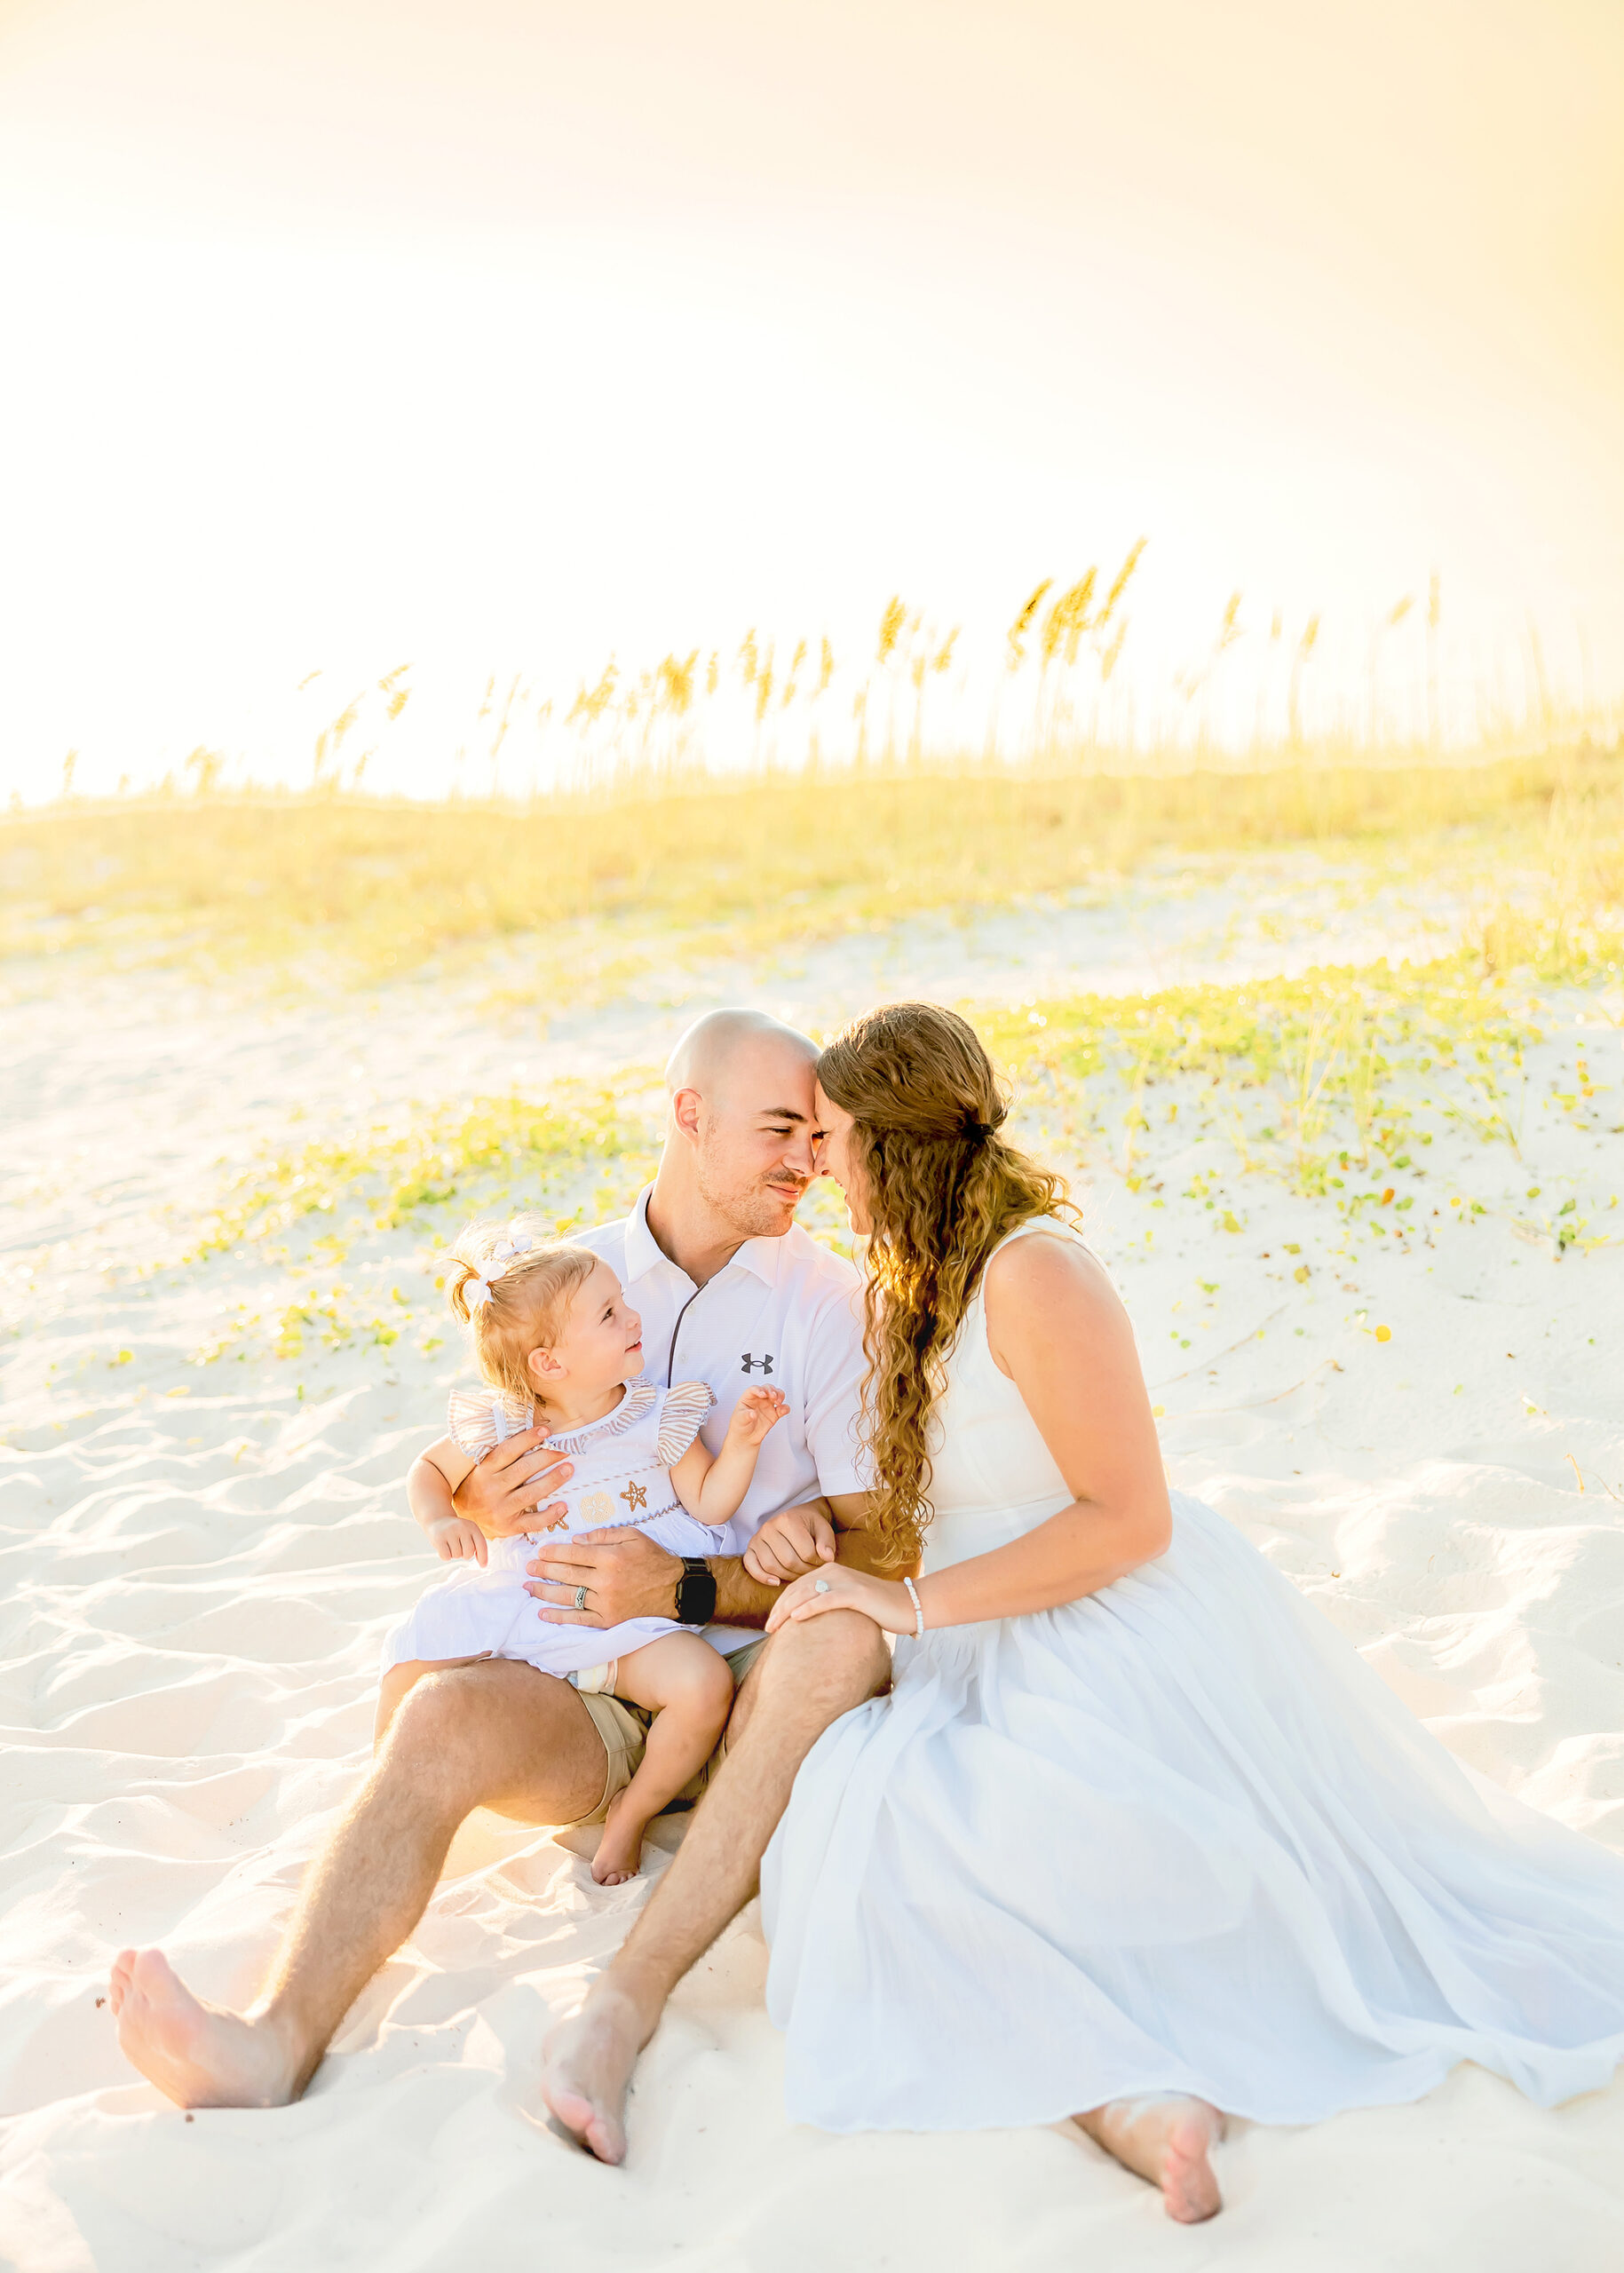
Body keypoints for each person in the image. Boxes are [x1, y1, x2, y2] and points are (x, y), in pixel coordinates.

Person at [549, 1002, 1624, 2222]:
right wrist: (826, 1548)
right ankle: (1121, 2101)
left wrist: (901, 1600)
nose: (815, 1162)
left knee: (1040, 1832)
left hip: (1105, 1617)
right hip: (973, 1634)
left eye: (835, 1137)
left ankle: (1143, 2086)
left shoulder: (1034, 1268)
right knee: (880, 1833)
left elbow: (1128, 1519)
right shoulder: (911, 1275)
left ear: (896, 1144)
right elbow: (917, 1499)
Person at [109, 1008, 891, 2111]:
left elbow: (881, 1543)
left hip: (751, 1676)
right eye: (779, 1131)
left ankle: (634, 1964)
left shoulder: (829, 1308)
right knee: (438, 1716)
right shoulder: (572, 1283)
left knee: (835, 1638)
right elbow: (476, 1454)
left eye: (817, 1139)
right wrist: (478, 1495)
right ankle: (273, 2040)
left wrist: (693, 1584)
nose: (807, 1163)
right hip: (588, 1686)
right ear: (688, 1115)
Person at [384, 1220, 788, 1884]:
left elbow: (711, 1505)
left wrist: (743, 1443)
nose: (632, 1317)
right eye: (608, 1314)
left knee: (702, 1684)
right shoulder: (506, 1420)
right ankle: (386, 1781)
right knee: (414, 1652)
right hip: (535, 1607)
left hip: (636, 1625)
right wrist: (438, 1521)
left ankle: (632, 1813)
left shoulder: (656, 1414)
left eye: (622, 1304)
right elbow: (426, 1471)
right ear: (549, 1364)